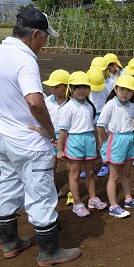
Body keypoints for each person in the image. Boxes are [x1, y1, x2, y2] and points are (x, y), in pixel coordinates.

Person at [0, 8, 81, 266]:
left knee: (7, 186)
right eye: (45, 37)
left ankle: (10, 243)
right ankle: (49, 252)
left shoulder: (1, 52)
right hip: (27, 141)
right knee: (41, 194)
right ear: (35, 34)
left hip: (4, 136)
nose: (45, 43)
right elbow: (35, 102)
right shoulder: (25, 60)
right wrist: (49, 131)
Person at [57, 71, 108, 217]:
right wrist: (60, 150)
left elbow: (92, 128)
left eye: (85, 87)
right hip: (74, 141)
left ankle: (92, 199)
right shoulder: (68, 107)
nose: (82, 90)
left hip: (89, 142)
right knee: (74, 175)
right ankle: (77, 203)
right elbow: (63, 131)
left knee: (91, 172)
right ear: (71, 88)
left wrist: (97, 146)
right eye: (78, 87)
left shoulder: (89, 106)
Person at [97, 74, 134, 218]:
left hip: (128, 141)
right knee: (113, 176)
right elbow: (101, 125)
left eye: (129, 90)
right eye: (122, 89)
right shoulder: (111, 104)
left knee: (126, 174)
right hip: (115, 140)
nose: (125, 93)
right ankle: (113, 206)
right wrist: (105, 141)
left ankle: (128, 199)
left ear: (133, 93)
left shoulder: (132, 106)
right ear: (116, 89)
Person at [43, 69, 70, 198]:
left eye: (57, 86)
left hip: (69, 137)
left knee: (71, 167)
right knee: (51, 166)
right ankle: (54, 189)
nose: (53, 89)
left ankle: (72, 191)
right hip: (51, 137)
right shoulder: (47, 101)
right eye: (51, 86)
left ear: (67, 87)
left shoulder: (71, 103)